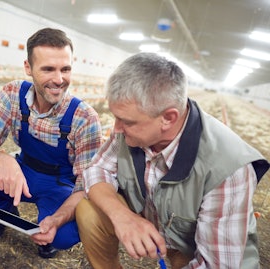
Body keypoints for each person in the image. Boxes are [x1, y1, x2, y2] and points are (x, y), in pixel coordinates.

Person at [75, 52, 269, 268]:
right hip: (155, 225)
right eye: (116, 117)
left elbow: (218, 265)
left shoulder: (227, 167)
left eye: (126, 121)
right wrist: (122, 216)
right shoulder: (127, 131)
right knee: (89, 210)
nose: (116, 129)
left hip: (195, 247)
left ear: (168, 118)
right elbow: (97, 169)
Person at [0, 28, 102, 259]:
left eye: (65, 69)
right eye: (48, 69)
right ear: (28, 68)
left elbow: (86, 186)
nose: (59, 79)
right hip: (22, 169)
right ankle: (0, 216)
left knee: (65, 234)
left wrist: (58, 219)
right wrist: (4, 160)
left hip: (58, 183)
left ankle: (48, 233)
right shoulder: (12, 94)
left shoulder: (84, 118)